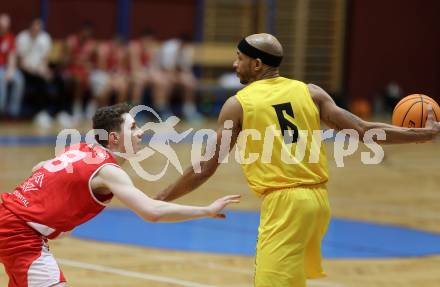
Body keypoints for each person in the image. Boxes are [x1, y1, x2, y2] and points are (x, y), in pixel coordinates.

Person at [155, 33, 440, 287]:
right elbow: (364, 131)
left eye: (239, 58)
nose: (234, 65)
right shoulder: (310, 92)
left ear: (257, 64)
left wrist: (163, 198)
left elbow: (206, 166)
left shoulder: (239, 103)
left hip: (285, 204)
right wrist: (419, 135)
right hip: (318, 202)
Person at [0, 103, 240, 287]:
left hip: (9, 217)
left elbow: (38, 167)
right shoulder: (107, 170)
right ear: (114, 138)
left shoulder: (79, 149)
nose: (140, 132)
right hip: (20, 235)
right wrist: (205, 210)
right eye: (133, 127)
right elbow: (152, 212)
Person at [0, 13, 24, 118]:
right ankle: (1, 109)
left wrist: (11, 70)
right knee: (1, 79)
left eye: (5, 26)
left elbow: (12, 55)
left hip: (7, 67)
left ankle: (13, 112)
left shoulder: (10, 37)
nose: (3, 28)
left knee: (19, 79)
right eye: (1, 26)